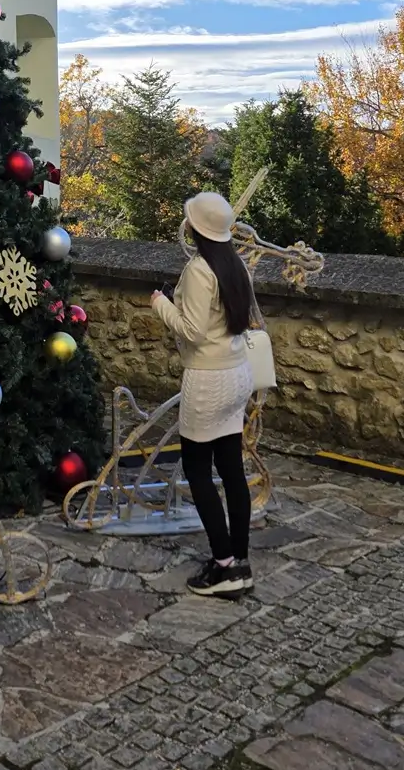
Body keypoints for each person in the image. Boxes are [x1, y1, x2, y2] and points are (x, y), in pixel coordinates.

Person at [151, 191, 254, 598]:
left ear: (195, 227)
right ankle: (240, 561)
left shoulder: (199, 269)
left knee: (197, 470)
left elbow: (191, 330)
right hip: (236, 375)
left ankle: (224, 566)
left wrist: (159, 303)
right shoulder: (235, 264)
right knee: (231, 468)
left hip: (208, 379)